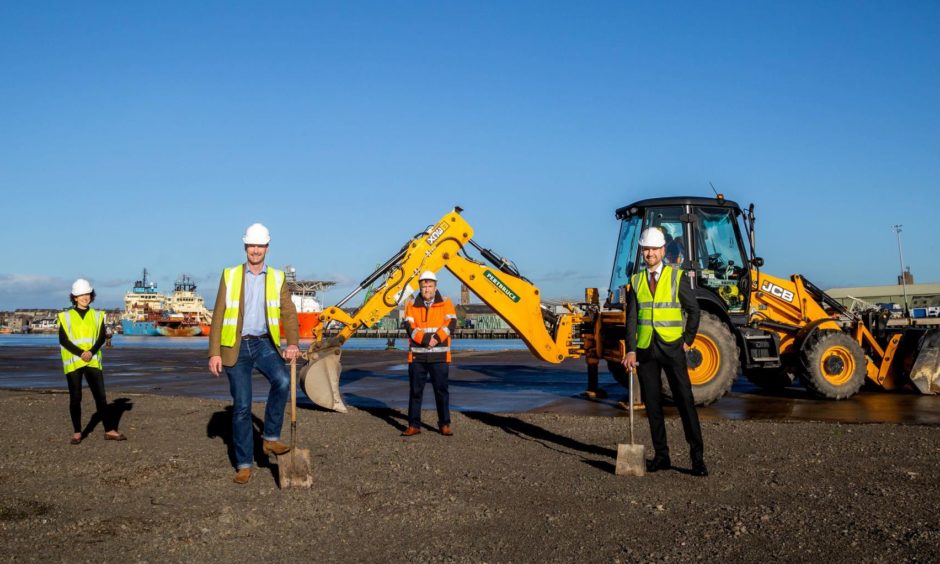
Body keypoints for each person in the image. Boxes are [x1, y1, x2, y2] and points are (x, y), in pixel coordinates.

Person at [208, 223, 301, 485]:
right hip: (235, 347)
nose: (256, 250)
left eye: (260, 246)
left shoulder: (277, 278)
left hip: (263, 344)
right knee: (242, 407)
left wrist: (292, 343)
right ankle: (244, 464)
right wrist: (213, 352)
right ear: (245, 247)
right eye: (252, 246)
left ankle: (269, 438)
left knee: (283, 381)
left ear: (267, 248)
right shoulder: (230, 275)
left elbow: (289, 312)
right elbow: (218, 315)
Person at [622, 227, 708, 477]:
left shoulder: (675, 276)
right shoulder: (636, 280)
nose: (649, 253)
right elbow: (631, 320)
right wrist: (631, 350)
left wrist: (687, 340)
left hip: (672, 347)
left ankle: (697, 458)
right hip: (647, 350)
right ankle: (662, 457)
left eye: (653, 249)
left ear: (662, 251)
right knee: (653, 405)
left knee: (685, 401)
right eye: (645, 249)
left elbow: (694, 310)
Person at [58, 278, 126, 444]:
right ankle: (77, 432)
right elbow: (64, 339)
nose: (85, 297)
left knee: (101, 397)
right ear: (74, 297)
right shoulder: (66, 316)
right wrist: (82, 353)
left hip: (93, 360)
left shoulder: (97, 315)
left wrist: (91, 352)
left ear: (91, 295)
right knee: (75, 398)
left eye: (87, 294)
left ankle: (109, 430)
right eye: (81, 295)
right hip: (74, 361)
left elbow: (102, 336)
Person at [400, 271, 457, 437]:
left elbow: (451, 323)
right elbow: (409, 327)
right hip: (418, 356)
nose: (426, 289)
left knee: (441, 391)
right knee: (415, 392)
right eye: (424, 286)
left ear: (435, 286)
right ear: (420, 287)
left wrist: (437, 338)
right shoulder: (411, 304)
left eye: (430, 286)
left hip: (439, 356)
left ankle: (445, 424)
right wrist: (426, 340)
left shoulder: (446, 302)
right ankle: (414, 425)